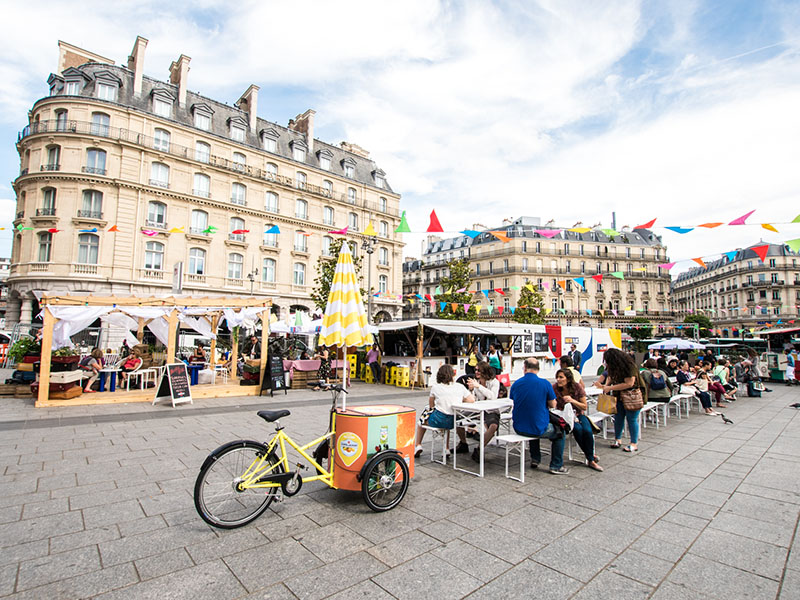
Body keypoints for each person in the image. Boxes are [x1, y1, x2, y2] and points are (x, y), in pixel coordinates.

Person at [510, 357, 569, 475]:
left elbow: (514, 399)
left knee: (533, 423)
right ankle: (556, 465)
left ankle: (535, 458)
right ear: (538, 369)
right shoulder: (545, 383)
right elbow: (553, 404)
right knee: (559, 432)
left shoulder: (516, 384)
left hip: (518, 427)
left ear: (525, 368)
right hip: (537, 428)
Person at [415, 364, 475, 457]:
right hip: (453, 421)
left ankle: (418, 445)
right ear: (452, 375)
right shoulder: (460, 387)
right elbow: (471, 400)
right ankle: (446, 448)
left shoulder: (435, 387)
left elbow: (431, 406)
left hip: (439, 419)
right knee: (446, 423)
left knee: (422, 420)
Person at [553, 368, 602, 472]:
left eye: (561, 377)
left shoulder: (577, 387)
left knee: (588, 431)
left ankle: (590, 457)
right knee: (578, 429)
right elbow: (553, 406)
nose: (558, 380)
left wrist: (572, 401)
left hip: (578, 414)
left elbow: (584, 406)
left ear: (568, 378)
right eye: (557, 377)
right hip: (564, 417)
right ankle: (590, 458)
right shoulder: (555, 388)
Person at [600, 348, 642, 453]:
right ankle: (617, 439)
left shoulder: (629, 366)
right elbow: (610, 376)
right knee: (618, 417)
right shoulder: (614, 366)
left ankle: (633, 443)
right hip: (618, 395)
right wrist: (606, 385)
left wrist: (610, 388)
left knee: (631, 419)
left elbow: (629, 383)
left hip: (631, 396)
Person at [466, 362, 501, 463]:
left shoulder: (494, 382)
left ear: (484, 371)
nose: (476, 372)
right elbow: (474, 399)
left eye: (478, 370)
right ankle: (463, 442)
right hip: (477, 410)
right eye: (475, 370)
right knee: (457, 416)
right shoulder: (476, 382)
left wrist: (478, 386)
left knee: (493, 426)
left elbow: (493, 396)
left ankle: (479, 449)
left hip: (491, 410)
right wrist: (471, 390)